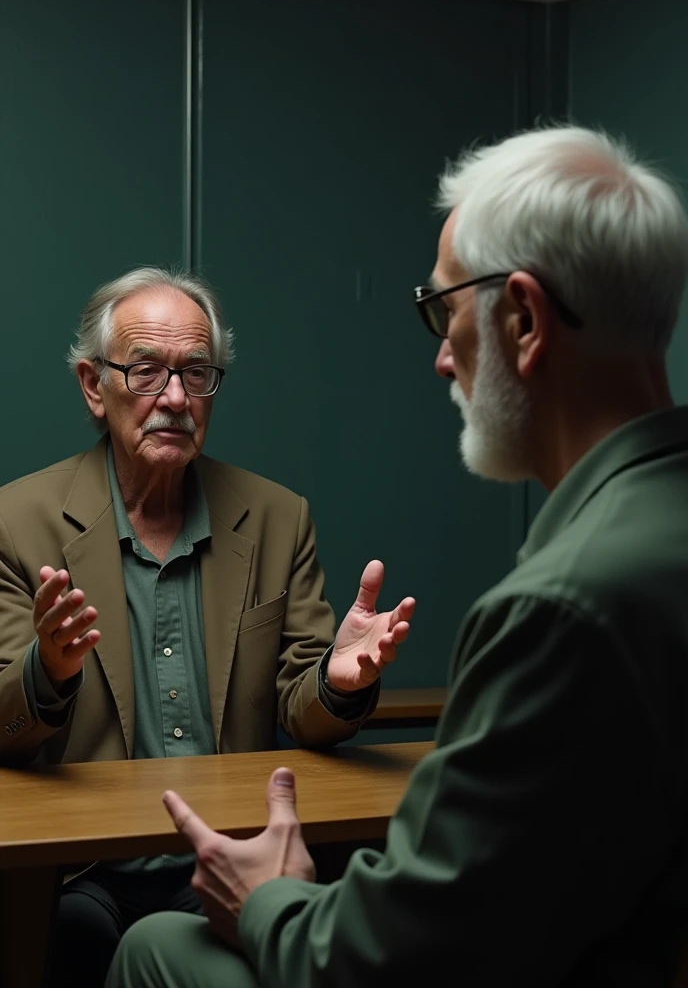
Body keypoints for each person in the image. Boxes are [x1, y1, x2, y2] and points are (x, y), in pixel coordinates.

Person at [108, 125, 688, 988]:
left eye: (445, 313)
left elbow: (400, 955)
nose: (441, 358)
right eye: (146, 371)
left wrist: (265, 897)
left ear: (524, 318)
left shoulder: (560, 606)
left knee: (155, 946)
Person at [0, 266, 415, 987]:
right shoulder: (17, 522)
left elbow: (305, 705)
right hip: (90, 872)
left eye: (196, 373)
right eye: (146, 371)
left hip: (243, 856)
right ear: (94, 387)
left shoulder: (277, 516)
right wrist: (49, 669)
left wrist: (336, 683)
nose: (174, 398)